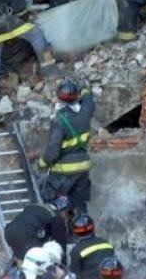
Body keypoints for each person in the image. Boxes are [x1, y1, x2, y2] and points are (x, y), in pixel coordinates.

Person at [38, 79, 95, 213]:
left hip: (64, 171)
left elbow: (52, 151)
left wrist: (41, 164)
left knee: (52, 201)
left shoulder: (59, 120)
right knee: (80, 202)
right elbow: (89, 100)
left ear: (59, 98)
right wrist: (83, 88)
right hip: (83, 168)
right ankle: (82, 226)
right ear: (77, 97)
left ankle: (59, 229)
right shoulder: (85, 112)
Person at [4, 196, 73, 265]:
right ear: (64, 211)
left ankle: (11, 270)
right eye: (69, 213)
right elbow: (60, 245)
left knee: (20, 259)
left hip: (9, 231)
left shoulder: (38, 206)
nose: (68, 217)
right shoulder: (57, 218)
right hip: (27, 236)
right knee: (39, 263)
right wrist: (63, 265)